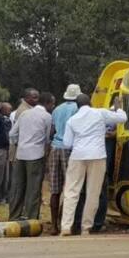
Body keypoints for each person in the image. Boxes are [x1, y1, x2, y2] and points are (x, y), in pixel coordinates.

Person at [59, 94, 127, 236]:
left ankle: (66, 226)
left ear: (77, 106)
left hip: (77, 156)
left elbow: (67, 144)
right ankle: (86, 227)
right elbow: (122, 119)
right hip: (97, 155)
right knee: (93, 193)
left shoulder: (72, 120)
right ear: (90, 102)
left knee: (71, 192)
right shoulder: (100, 113)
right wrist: (119, 109)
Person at [8, 92, 55, 221]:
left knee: (18, 187)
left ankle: (14, 216)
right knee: (33, 189)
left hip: (21, 154)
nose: (53, 106)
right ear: (47, 103)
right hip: (36, 155)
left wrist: (18, 143)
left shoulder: (24, 113)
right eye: (52, 103)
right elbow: (46, 139)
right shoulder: (47, 117)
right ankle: (31, 218)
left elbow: (12, 133)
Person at [48, 84, 82, 232]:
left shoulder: (57, 109)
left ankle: (54, 224)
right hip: (70, 149)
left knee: (55, 189)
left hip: (55, 147)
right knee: (71, 188)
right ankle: (66, 223)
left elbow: (53, 130)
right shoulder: (78, 109)